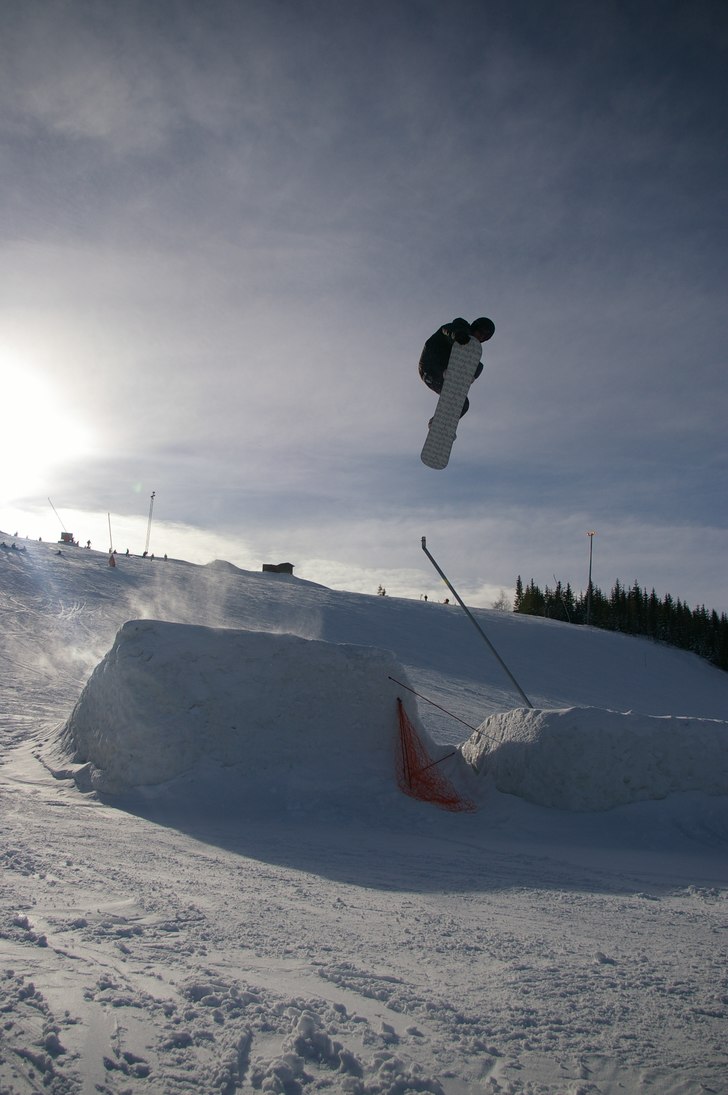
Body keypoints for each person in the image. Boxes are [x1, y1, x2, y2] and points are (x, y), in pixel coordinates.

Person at [419, 316, 495, 418]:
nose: (481, 337)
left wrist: (470, 376)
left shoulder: (471, 352)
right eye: (481, 332)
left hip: (439, 377)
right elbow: (446, 330)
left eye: (485, 337)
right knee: (462, 345)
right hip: (430, 365)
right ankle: (446, 373)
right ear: (475, 327)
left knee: (463, 404)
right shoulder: (460, 326)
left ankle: (438, 424)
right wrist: (456, 334)